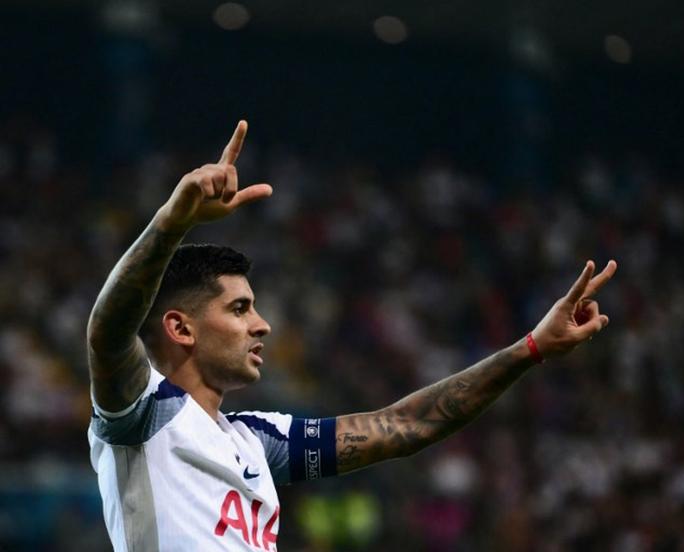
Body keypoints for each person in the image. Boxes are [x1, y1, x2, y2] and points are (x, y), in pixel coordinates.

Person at [87, 121, 617, 551]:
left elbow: (408, 426)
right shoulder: (143, 415)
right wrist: (172, 221)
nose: (262, 324)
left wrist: (530, 348)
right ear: (180, 328)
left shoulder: (256, 440)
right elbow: (108, 333)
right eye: (240, 308)